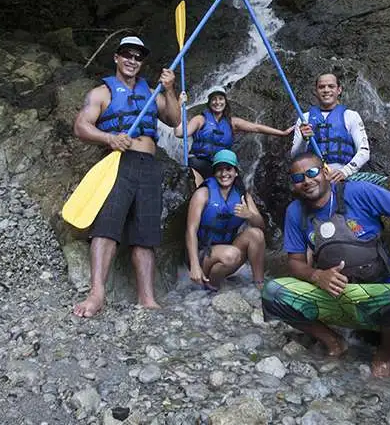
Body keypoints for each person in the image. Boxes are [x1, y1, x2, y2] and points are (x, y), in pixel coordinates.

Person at [261, 152, 390, 378]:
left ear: (325, 172)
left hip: (376, 297)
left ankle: (383, 357)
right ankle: (334, 341)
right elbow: (296, 262)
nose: (307, 181)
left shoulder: (358, 192)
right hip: (333, 296)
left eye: (312, 173)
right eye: (299, 178)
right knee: (272, 293)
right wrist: (317, 276)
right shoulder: (295, 211)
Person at [71, 35, 181, 317]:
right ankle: (96, 294)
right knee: (107, 228)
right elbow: (81, 127)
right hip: (118, 163)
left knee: (145, 235)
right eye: (127, 55)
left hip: (149, 166)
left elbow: (175, 120)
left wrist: (169, 89)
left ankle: (147, 298)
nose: (133, 60)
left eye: (138, 56)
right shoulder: (101, 93)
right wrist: (109, 137)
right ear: (117, 58)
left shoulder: (152, 93)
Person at [175, 86, 293, 186]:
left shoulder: (232, 123)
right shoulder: (200, 119)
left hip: (219, 164)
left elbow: (257, 128)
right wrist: (179, 107)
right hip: (198, 160)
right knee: (201, 181)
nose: (217, 102)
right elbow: (180, 133)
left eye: (221, 99)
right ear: (209, 102)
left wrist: (282, 133)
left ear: (225, 102)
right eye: (214, 99)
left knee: (238, 186)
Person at [185, 149, 266, 290]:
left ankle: (259, 285)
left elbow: (261, 226)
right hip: (203, 254)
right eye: (219, 170)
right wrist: (194, 265)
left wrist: (250, 215)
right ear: (214, 172)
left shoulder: (242, 195)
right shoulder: (203, 194)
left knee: (256, 235)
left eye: (228, 169)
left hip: (227, 254)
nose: (224, 174)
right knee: (232, 254)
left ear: (236, 172)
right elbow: (191, 230)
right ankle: (212, 287)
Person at [291, 73, 370, 182]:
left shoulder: (351, 116)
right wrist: (304, 140)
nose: (326, 90)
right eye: (321, 87)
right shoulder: (304, 118)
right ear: (316, 91)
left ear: (339, 90)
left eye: (331, 86)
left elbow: (364, 151)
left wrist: (345, 171)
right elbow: (295, 156)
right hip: (315, 178)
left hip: (344, 176)